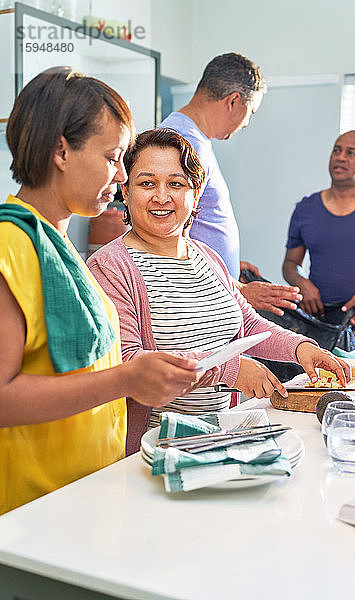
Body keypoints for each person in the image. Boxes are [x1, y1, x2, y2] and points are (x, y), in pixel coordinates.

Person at [0, 68, 208, 515]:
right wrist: (127, 379)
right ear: (61, 151)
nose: (120, 175)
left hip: (85, 492)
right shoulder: (9, 245)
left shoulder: (58, 246)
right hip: (35, 508)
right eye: (113, 157)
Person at [87, 128, 351, 454]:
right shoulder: (110, 267)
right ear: (125, 191)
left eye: (176, 183)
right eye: (146, 183)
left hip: (223, 435)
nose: (161, 196)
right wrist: (230, 369)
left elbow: (249, 324)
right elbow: (129, 363)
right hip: (153, 449)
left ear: (195, 193)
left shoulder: (206, 256)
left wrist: (300, 349)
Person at [160, 52, 302, 317]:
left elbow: (195, 227)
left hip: (213, 291)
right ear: (234, 101)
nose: (246, 123)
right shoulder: (181, 142)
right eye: (250, 112)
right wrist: (237, 287)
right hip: (195, 305)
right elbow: (167, 239)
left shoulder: (195, 139)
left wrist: (228, 266)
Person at [282, 130, 355, 328]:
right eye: (336, 151)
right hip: (318, 326)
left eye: (351, 152)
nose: (340, 157)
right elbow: (291, 263)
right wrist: (302, 283)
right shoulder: (305, 209)